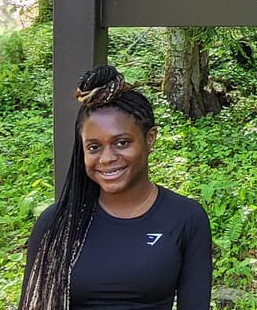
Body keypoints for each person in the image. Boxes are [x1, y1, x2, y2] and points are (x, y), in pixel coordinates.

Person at [19, 65, 212, 310]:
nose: (107, 158)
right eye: (94, 147)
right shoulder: (56, 223)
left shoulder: (186, 218)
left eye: (122, 142)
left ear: (150, 139)